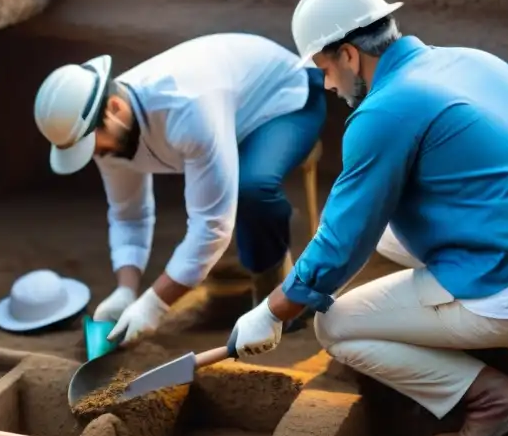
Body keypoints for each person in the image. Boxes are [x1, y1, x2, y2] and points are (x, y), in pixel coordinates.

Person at [228, 0, 508, 436]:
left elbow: (341, 242)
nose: (326, 84)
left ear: (349, 54)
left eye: (325, 68)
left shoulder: (385, 112)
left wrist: (274, 311)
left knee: (337, 326)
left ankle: (490, 399)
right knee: (390, 231)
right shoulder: (476, 61)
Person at [32, 32, 327, 346]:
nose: (93, 155)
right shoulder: (106, 138)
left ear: (115, 108)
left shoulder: (185, 108)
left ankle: (283, 303)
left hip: (286, 96)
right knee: (228, 188)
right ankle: (243, 271)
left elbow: (211, 225)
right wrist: (126, 289)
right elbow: (128, 215)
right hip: (228, 115)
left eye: (91, 145)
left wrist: (154, 304)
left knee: (252, 189)